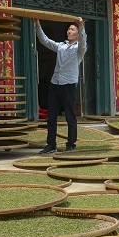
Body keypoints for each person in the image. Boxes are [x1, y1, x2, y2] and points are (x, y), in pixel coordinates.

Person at [34, 17, 86, 153]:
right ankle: (51, 144)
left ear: (77, 33)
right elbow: (44, 41)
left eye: (72, 29)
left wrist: (81, 27)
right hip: (55, 83)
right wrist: (38, 24)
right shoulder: (61, 46)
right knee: (51, 116)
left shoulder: (79, 49)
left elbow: (83, 42)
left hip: (68, 85)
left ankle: (71, 144)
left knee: (70, 116)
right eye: (69, 29)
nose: (69, 31)